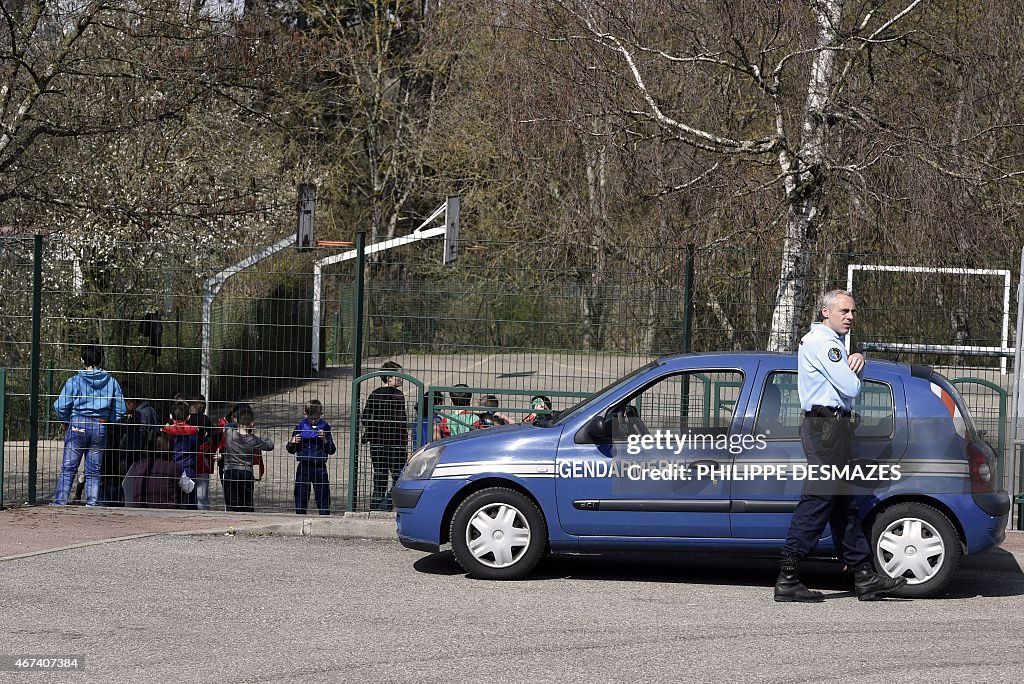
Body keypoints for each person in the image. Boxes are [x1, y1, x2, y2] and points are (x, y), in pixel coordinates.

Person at [775, 289, 906, 602]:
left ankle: (864, 576)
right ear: (825, 312)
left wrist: (854, 358)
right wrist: (855, 368)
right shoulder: (823, 343)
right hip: (826, 429)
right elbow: (850, 386)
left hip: (832, 428)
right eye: (843, 311)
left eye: (852, 312)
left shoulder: (831, 343)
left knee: (843, 505)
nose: (850, 317)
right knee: (818, 501)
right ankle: (788, 578)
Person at [52, 344, 127, 506]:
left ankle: (60, 503)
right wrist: (108, 420)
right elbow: (121, 409)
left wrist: (67, 421)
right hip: (100, 426)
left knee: (68, 468)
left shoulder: (74, 381)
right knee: (94, 471)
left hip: (78, 424)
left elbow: (60, 406)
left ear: (82, 360)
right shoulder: (112, 382)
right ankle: (92, 505)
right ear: (102, 359)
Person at [361, 361, 409, 511]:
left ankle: (375, 508)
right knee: (399, 478)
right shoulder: (398, 396)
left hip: (377, 444)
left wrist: (374, 429)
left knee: (380, 477)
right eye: (398, 375)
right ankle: (386, 505)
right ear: (389, 377)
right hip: (395, 444)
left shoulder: (374, 394)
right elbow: (401, 421)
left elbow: (365, 417)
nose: (401, 378)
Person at [222, 403, 273, 512]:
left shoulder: (229, 433)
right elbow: (269, 446)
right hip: (246, 472)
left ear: (236, 420)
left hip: (230, 471)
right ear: (252, 423)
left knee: (231, 502)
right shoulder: (253, 440)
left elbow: (227, 425)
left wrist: (237, 423)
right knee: (246, 502)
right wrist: (264, 438)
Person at [288, 399, 336, 516]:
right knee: (300, 492)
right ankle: (300, 514)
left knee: (323, 493)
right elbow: (290, 450)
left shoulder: (325, 427)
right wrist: (292, 442)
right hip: (304, 465)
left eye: (316, 418)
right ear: (305, 414)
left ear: (321, 415)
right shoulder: (300, 426)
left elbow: (332, 450)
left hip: (319, 466)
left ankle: (324, 514)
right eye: (311, 418)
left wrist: (324, 440)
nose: (314, 421)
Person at [123, 432, 192, 508]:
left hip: (138, 507)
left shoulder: (138, 465)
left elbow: (126, 484)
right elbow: (189, 488)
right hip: (167, 509)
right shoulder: (174, 468)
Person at [162, 400, 199, 509]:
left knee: (173, 499)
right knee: (190, 501)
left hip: (171, 469)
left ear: (171, 416)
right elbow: (196, 447)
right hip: (188, 469)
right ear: (188, 417)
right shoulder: (194, 431)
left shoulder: (166, 431)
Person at [188, 394, 217, 511]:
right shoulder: (205, 419)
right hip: (201, 456)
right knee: (202, 491)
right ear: (200, 406)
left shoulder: (185, 419)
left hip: (186, 458)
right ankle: (203, 512)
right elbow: (215, 435)